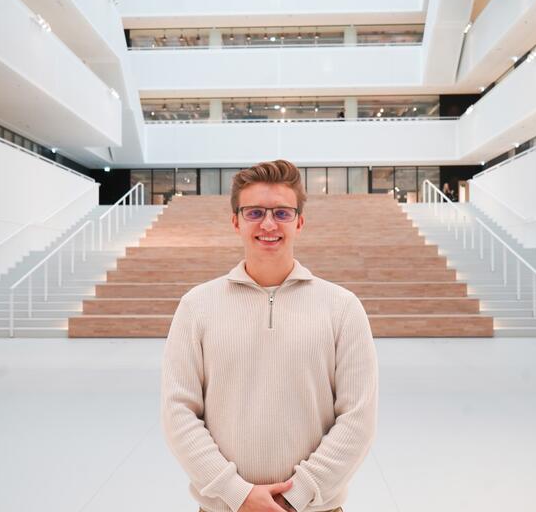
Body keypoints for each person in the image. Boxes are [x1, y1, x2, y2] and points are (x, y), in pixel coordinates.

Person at [161, 159, 378, 512]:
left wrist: (297, 494)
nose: (267, 224)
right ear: (236, 221)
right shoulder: (196, 306)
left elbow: (358, 417)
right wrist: (237, 493)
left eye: (281, 213)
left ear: (299, 221)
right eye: (254, 212)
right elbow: (178, 412)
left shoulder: (342, 307)